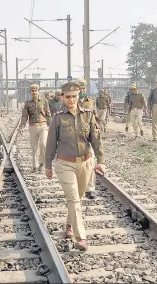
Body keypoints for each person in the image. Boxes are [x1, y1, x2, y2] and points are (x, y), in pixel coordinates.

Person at [45, 81, 106, 251]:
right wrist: (47, 165)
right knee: (73, 199)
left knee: (77, 199)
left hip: (85, 163)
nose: (71, 100)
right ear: (62, 97)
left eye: (74, 96)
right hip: (65, 164)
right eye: (68, 97)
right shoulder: (58, 118)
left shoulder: (88, 115)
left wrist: (100, 161)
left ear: (79, 96)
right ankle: (81, 238)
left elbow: (96, 140)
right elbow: (50, 143)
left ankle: (69, 226)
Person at [19, 84, 51, 172]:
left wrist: (51, 126)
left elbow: (48, 114)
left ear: (38, 91)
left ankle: (41, 162)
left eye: (35, 91)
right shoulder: (27, 103)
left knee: (43, 144)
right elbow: (24, 116)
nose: (34, 92)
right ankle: (34, 166)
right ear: (30, 92)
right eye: (32, 91)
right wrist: (22, 126)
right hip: (33, 127)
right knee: (34, 148)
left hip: (43, 126)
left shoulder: (44, 101)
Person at [77, 78, 99, 200]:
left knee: (90, 161)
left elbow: (95, 115)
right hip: (74, 135)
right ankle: (78, 187)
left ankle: (90, 189)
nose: (82, 90)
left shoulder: (90, 101)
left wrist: (97, 127)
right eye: (80, 89)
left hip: (88, 135)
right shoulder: (71, 101)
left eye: (84, 88)